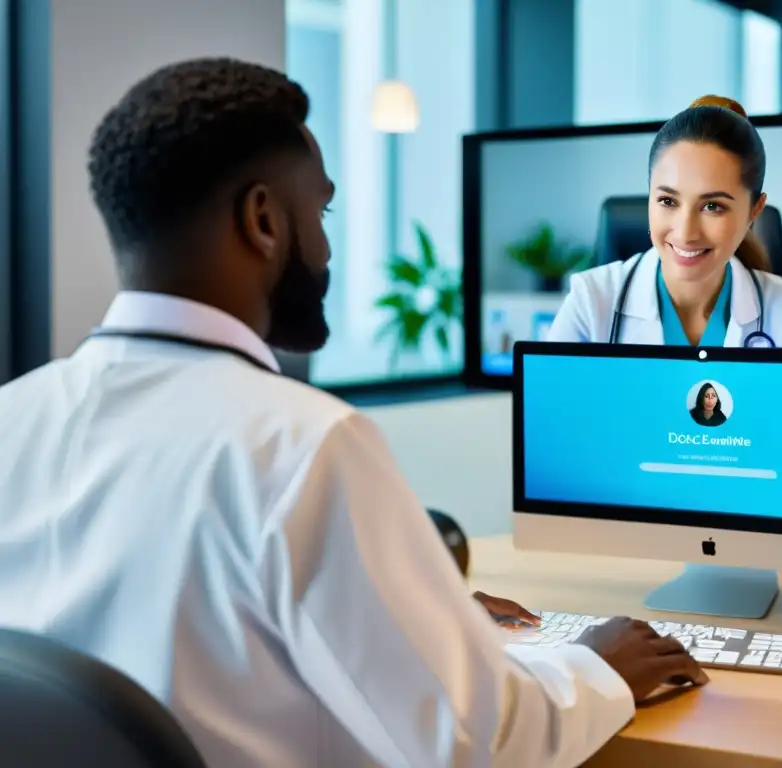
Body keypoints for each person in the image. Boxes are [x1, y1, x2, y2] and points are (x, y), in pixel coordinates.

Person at [0, 58, 707, 767]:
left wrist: (430, 621)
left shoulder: (14, 413)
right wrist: (597, 664)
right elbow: (480, 746)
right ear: (265, 220)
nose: (330, 247)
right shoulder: (301, 444)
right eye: (322, 210)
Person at [547, 95, 782, 349]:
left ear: (753, 213)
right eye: (668, 201)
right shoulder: (590, 301)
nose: (686, 232)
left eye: (712, 206)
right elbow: (546, 406)